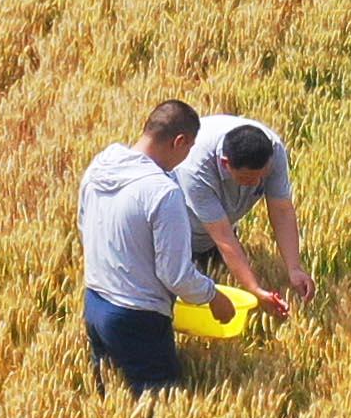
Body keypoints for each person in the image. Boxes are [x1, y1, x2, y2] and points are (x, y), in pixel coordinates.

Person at [80, 99, 223, 394]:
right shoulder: (162, 193)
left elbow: (84, 225)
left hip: (94, 303)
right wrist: (213, 296)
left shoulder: (100, 165)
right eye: (189, 148)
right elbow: (176, 274)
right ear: (180, 141)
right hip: (137, 318)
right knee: (158, 411)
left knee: (109, 401)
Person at [180, 117, 313, 320]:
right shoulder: (195, 169)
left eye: (262, 176)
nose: (256, 184)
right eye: (248, 179)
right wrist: (255, 289)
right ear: (226, 164)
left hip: (222, 224)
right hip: (182, 232)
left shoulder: (273, 151)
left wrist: (294, 268)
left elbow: (282, 210)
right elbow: (223, 236)